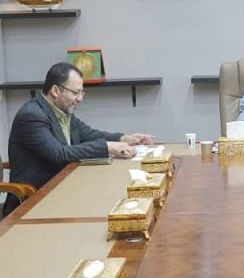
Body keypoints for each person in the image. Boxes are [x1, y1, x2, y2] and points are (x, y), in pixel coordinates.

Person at [4, 62, 154, 216]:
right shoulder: (31, 116)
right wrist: (107, 147)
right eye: (76, 92)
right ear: (55, 91)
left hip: (62, 190)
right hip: (33, 201)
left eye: (82, 93)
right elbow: (59, 154)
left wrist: (124, 138)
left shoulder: (61, 111)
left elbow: (88, 134)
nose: (80, 99)